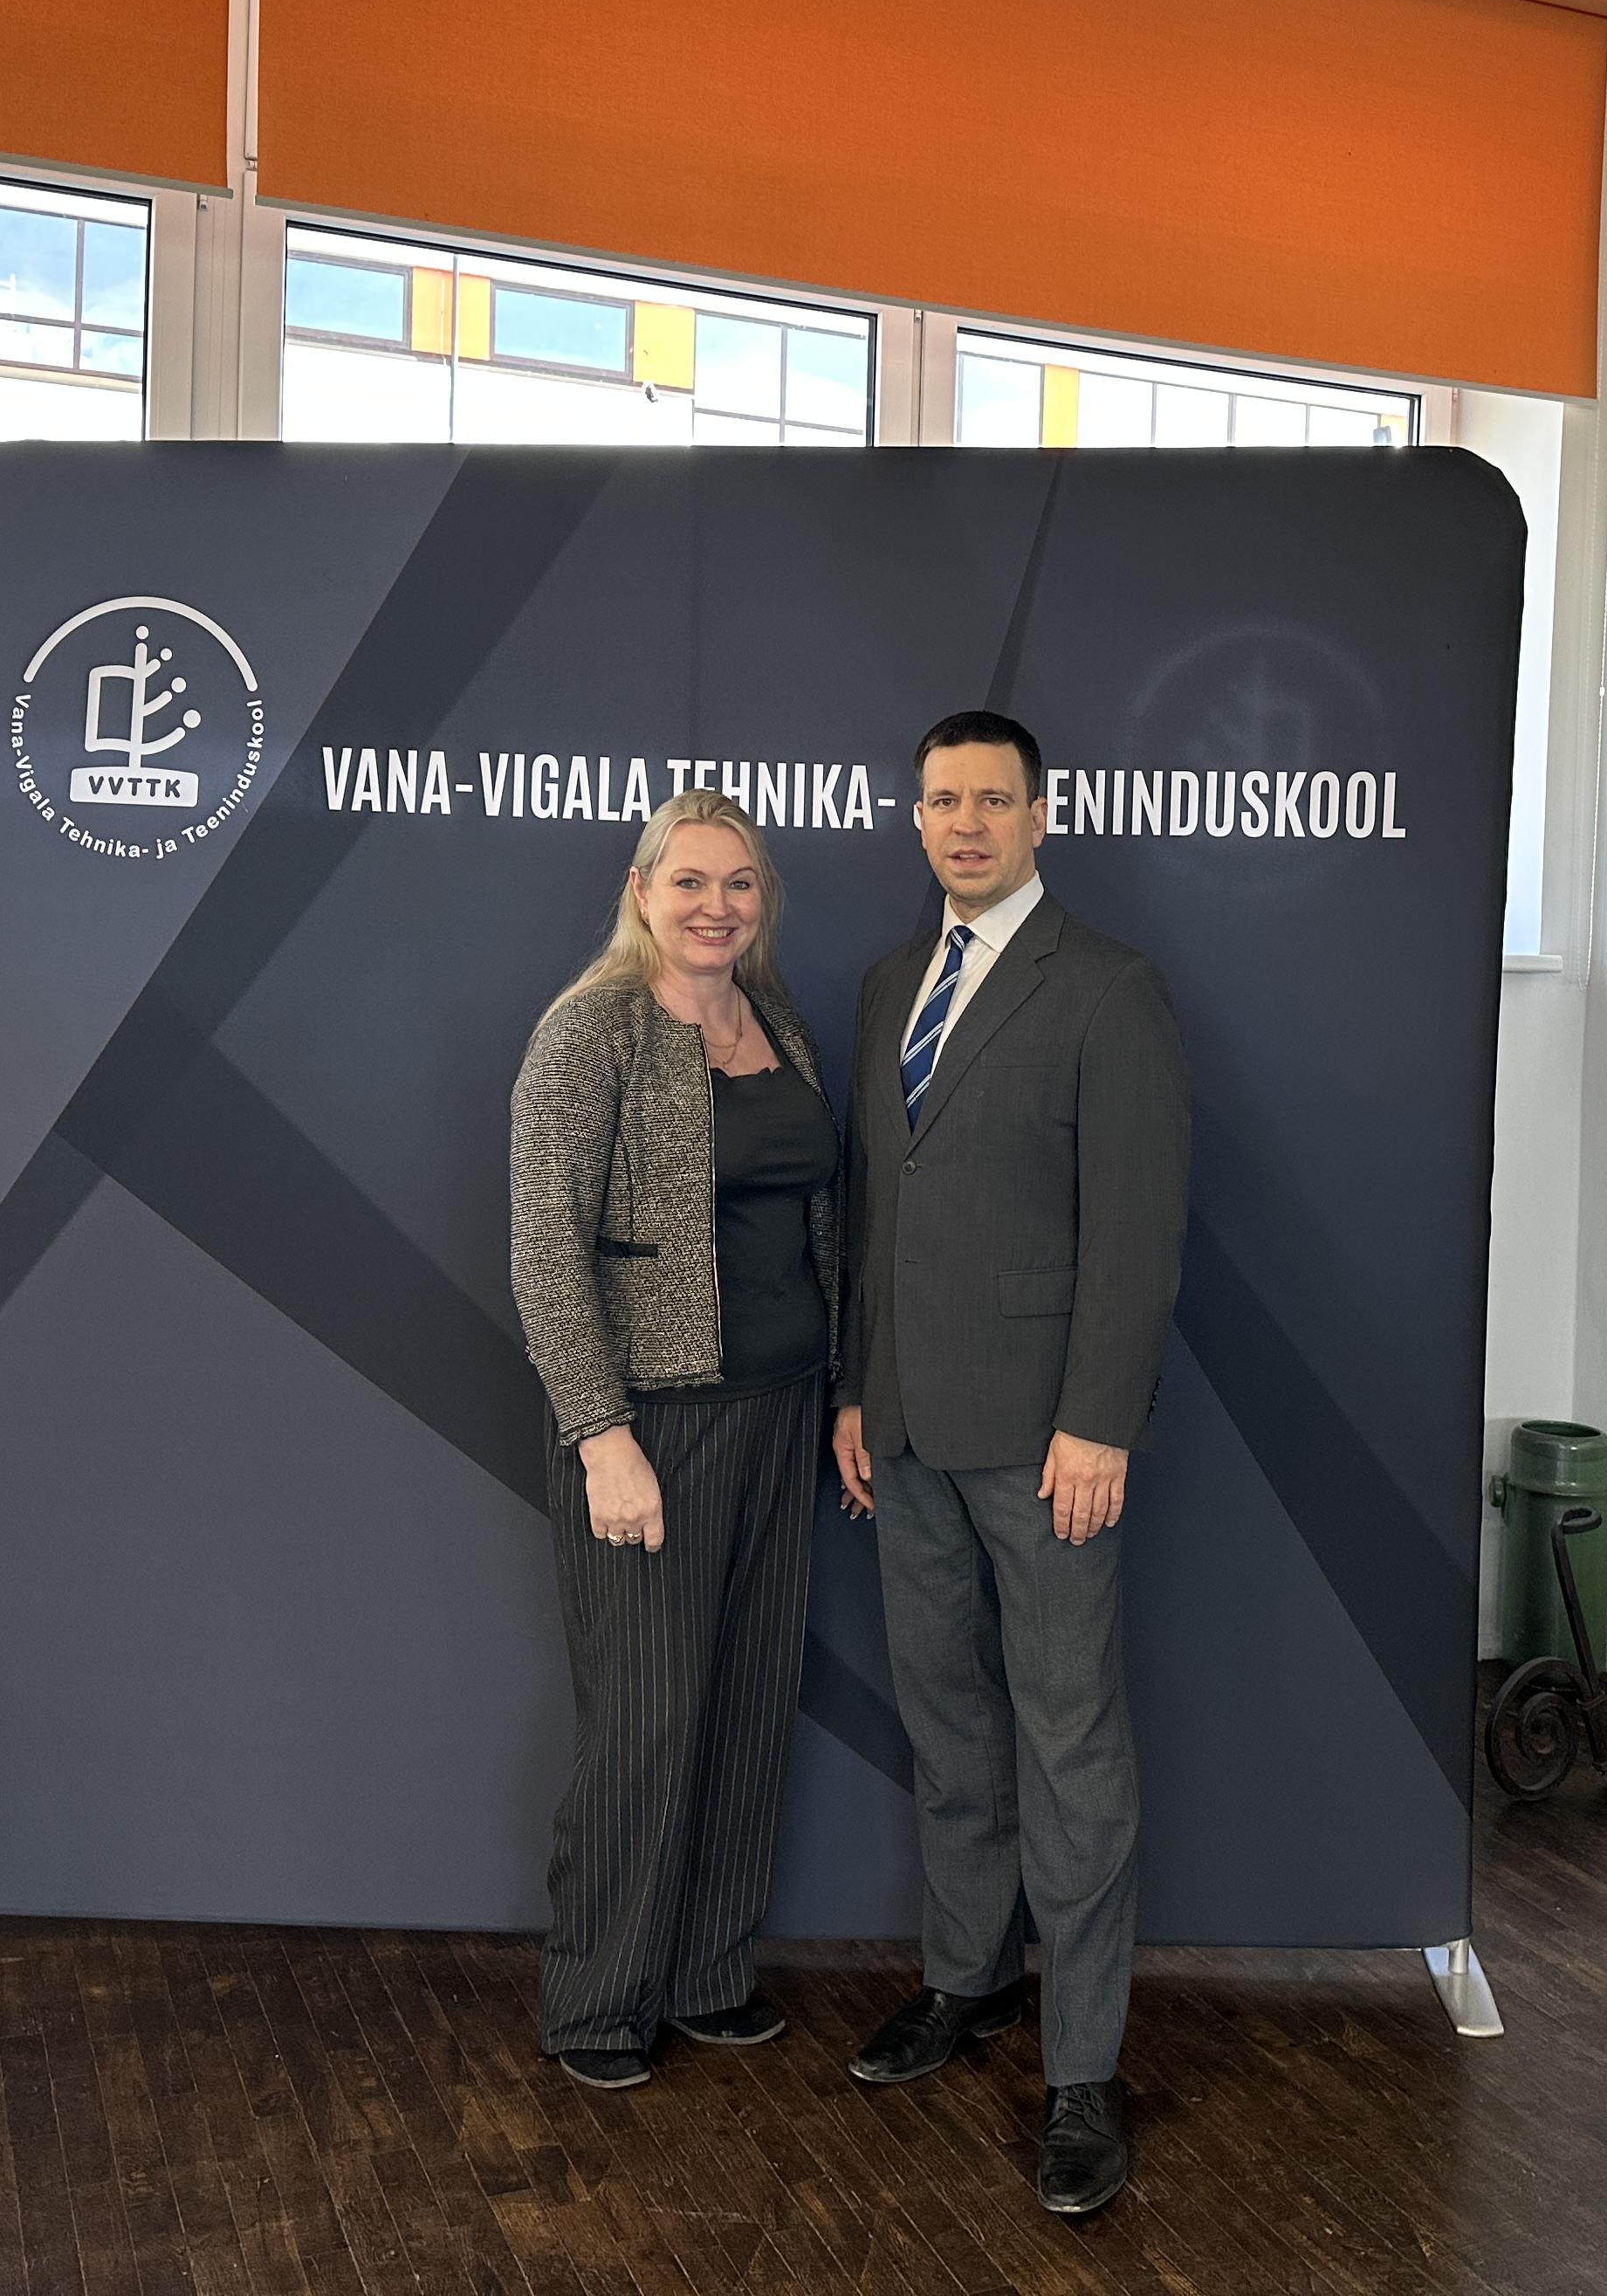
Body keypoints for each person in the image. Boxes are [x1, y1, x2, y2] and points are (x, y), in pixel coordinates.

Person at [833, 708, 1192, 2217]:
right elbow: (874, 1214)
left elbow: (1137, 1230)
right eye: (941, 801)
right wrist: (858, 1395)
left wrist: (1100, 1420)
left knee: (1069, 1748)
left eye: (992, 800)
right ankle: (968, 1979)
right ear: (916, 819)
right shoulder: (885, 986)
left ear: (1042, 817)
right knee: (948, 1723)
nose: (965, 823)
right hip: (906, 1431)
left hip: (1050, 1446)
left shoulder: (1107, 987)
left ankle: (1084, 2072)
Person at [509, 788, 841, 2091]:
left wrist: (842, 1390)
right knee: (646, 1726)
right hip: (656, 1423)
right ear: (641, 891)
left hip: (784, 1408)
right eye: (691, 881)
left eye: (740, 883)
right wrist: (602, 1435)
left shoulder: (780, 1025)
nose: (717, 906)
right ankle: (598, 2002)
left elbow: (819, 1217)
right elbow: (546, 1252)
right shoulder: (588, 1032)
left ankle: (708, 1975)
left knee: (751, 1708)